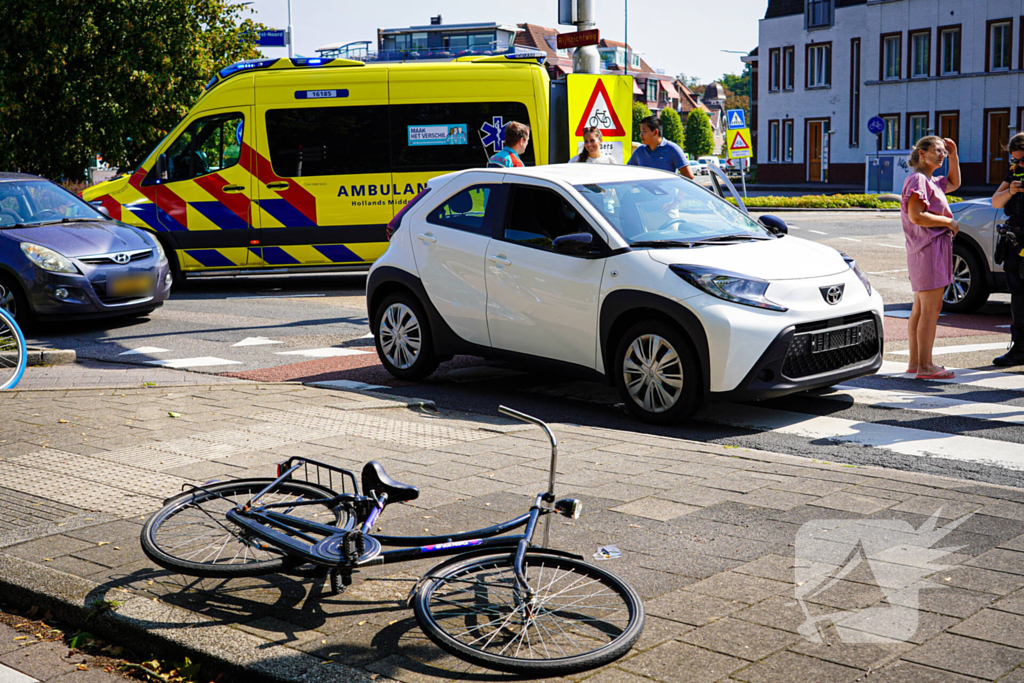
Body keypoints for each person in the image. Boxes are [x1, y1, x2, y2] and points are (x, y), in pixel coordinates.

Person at [900, 136, 961, 379]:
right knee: (931, 309)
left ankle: (916, 362)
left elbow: (955, 183)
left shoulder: (930, 180)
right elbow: (917, 216)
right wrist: (949, 221)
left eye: (943, 151)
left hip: (925, 249)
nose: (942, 154)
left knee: (920, 308)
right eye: (938, 150)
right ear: (922, 154)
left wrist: (954, 155)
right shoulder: (918, 179)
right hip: (929, 248)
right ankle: (925, 366)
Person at [989, 133, 1024, 366]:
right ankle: (1019, 349)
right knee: (1019, 297)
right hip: (1016, 241)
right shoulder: (1014, 172)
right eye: (1015, 160)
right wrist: (1010, 191)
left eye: (1022, 160)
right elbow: (995, 202)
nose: (1019, 164)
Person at [626, 115, 694, 179]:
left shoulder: (673, 149)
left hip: (667, 191)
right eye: (640, 132)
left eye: (644, 131)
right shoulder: (639, 151)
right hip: (644, 192)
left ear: (655, 132)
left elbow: (689, 176)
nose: (641, 135)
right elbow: (626, 173)